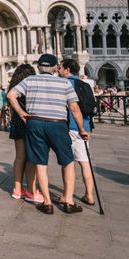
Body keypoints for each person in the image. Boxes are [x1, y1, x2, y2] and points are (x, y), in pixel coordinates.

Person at [7, 53, 89, 215]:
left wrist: (22, 113)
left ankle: (47, 202)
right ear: (55, 68)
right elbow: (74, 108)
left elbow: (11, 95)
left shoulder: (29, 80)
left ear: (39, 67)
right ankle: (68, 200)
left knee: (40, 163)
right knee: (67, 162)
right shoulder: (64, 83)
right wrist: (82, 129)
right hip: (57, 124)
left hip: (35, 124)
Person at [59, 59, 96, 206]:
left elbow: (70, 107)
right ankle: (90, 195)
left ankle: (66, 195)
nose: (58, 70)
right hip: (85, 127)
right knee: (85, 163)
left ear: (67, 70)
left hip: (69, 126)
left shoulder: (64, 84)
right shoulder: (85, 84)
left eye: (61, 68)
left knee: (68, 163)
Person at [6, 64, 43, 203]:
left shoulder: (13, 87)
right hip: (29, 121)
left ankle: (17, 189)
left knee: (20, 156)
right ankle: (31, 191)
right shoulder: (31, 85)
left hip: (16, 122)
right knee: (31, 158)